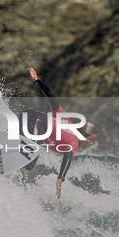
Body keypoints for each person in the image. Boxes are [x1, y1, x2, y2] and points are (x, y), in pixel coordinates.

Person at [27, 67, 97, 199]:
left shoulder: (66, 119)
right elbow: (68, 156)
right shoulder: (74, 142)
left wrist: (37, 80)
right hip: (36, 124)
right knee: (29, 163)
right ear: (83, 136)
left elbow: (51, 95)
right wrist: (61, 177)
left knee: (17, 144)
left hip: (28, 114)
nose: (91, 143)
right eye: (90, 140)